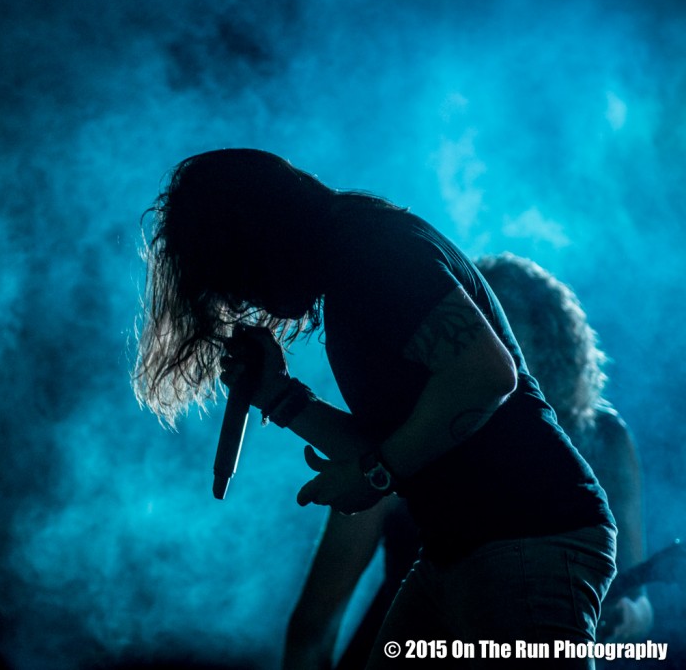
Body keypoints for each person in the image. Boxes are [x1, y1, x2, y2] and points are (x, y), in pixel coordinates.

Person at [132, 148, 616, 669]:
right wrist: (278, 394)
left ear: (257, 236)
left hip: (528, 537)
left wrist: (378, 473)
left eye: (237, 276)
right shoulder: (352, 264)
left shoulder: (373, 250)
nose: (245, 299)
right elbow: (388, 453)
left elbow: (485, 376)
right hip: (462, 547)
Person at [281, 252, 652, 669]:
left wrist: (626, 617)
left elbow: (638, 597)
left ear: (548, 345)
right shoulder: (412, 437)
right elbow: (316, 620)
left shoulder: (603, 437)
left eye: (496, 335)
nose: (478, 349)